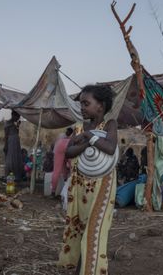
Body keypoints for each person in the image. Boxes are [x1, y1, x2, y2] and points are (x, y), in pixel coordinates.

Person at [57, 84, 117, 275]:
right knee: (80, 226)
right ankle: (80, 268)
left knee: (95, 229)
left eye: (86, 103)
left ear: (100, 105)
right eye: (81, 103)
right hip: (79, 185)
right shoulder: (79, 127)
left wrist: (89, 137)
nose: (81, 107)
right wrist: (86, 143)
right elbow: (69, 152)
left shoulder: (110, 125)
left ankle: (90, 270)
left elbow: (109, 148)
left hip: (102, 187)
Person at [51, 127, 74, 196]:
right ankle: (66, 189)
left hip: (60, 148)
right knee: (72, 169)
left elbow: (55, 145)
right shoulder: (64, 136)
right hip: (70, 145)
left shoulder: (62, 137)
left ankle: (54, 191)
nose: (68, 132)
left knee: (58, 170)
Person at [4, 110, 24, 182]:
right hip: (11, 141)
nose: (18, 118)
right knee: (10, 158)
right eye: (17, 116)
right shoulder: (8, 123)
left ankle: (16, 175)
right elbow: (6, 135)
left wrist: (18, 126)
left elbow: (16, 132)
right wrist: (5, 145)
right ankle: (9, 175)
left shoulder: (14, 123)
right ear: (13, 115)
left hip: (16, 141)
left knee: (16, 158)